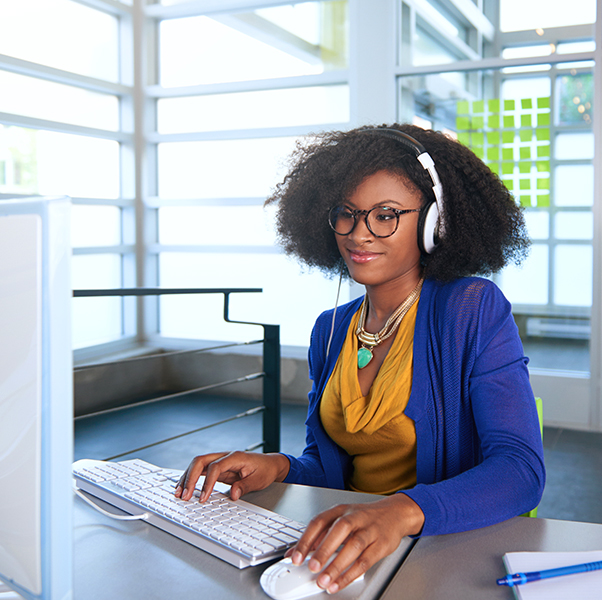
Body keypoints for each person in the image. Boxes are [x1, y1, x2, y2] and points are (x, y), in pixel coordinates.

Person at [175, 123, 545, 594]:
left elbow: (520, 470)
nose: (359, 234)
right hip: (346, 549)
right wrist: (278, 466)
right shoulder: (330, 331)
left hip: (437, 552)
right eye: (346, 214)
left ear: (434, 224)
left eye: (386, 215)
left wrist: (399, 511)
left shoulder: (470, 310)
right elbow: (331, 469)